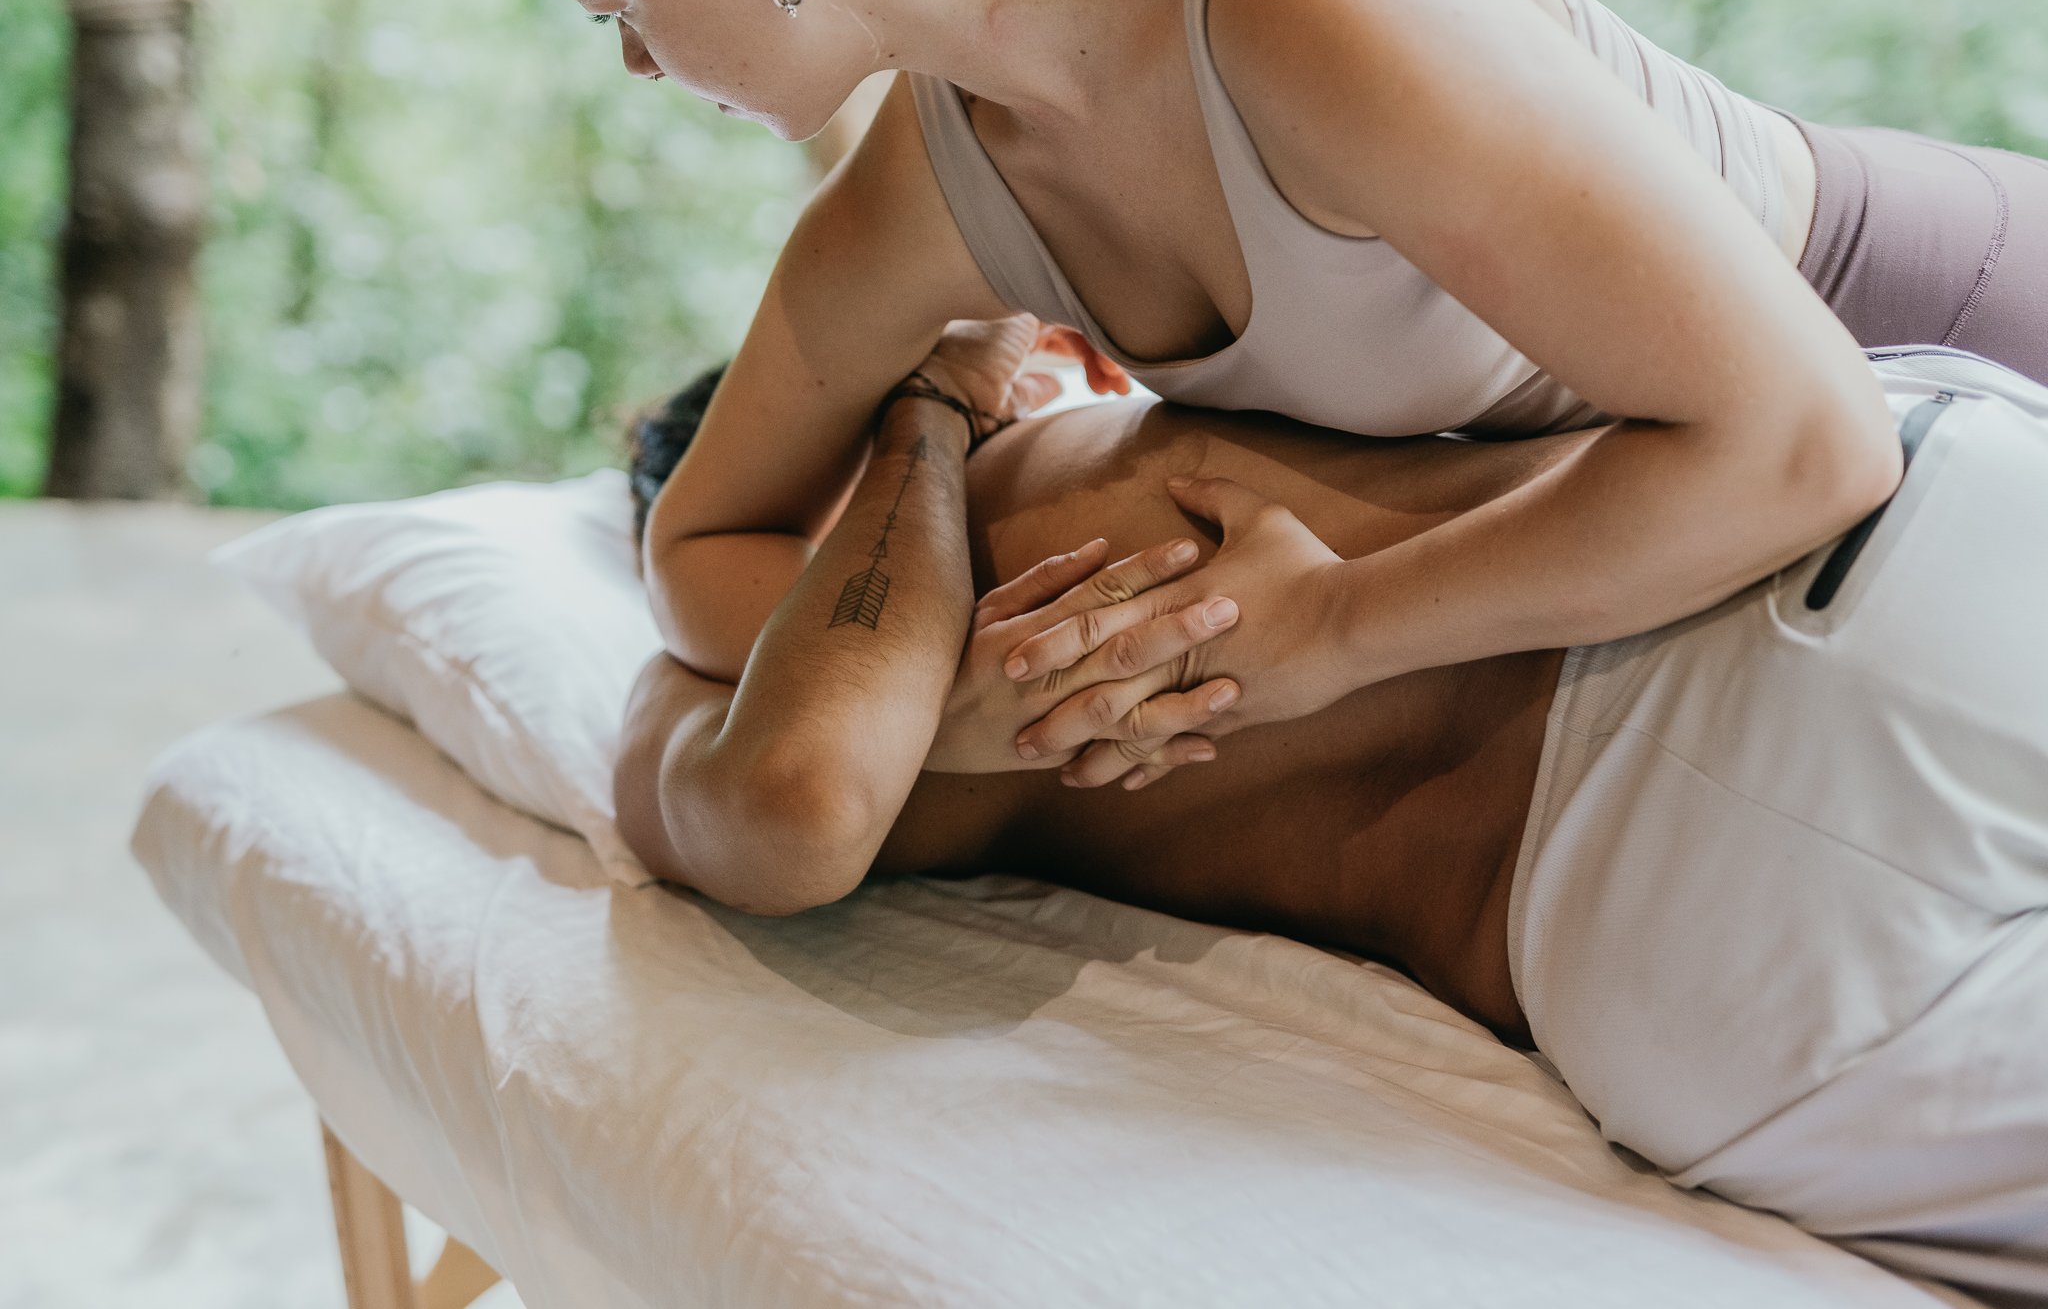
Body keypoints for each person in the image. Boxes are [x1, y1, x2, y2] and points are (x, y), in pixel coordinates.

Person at [472, 0, 2048, 780]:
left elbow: (1800, 446)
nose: (632, 64)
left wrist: (1347, 630)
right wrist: (973, 677)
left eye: (615, 5)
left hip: (1945, 323)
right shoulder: (920, 194)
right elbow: (698, 546)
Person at [613, 329, 2048, 1303]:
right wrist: (928, 406)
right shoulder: (1117, 389)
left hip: (1679, 931)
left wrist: (918, 447)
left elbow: (783, 804)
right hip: (1889, 552)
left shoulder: (752, 710)